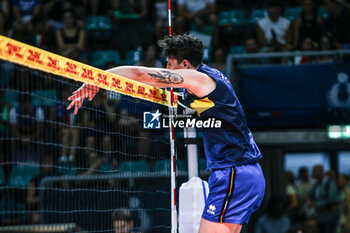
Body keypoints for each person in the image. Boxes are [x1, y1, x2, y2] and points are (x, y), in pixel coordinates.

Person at [67, 34, 265, 233]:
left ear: (185, 64)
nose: (167, 69)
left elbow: (139, 73)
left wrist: (98, 79)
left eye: (170, 64)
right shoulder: (209, 78)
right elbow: (199, 116)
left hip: (234, 173)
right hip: (244, 173)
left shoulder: (199, 79)